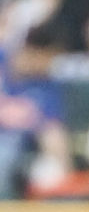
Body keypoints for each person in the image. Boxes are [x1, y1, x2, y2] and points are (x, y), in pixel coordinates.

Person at [0, 16, 71, 197]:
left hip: (12, 154)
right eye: (50, 58)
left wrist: (65, 171)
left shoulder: (46, 88)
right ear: (34, 51)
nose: (50, 65)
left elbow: (52, 132)